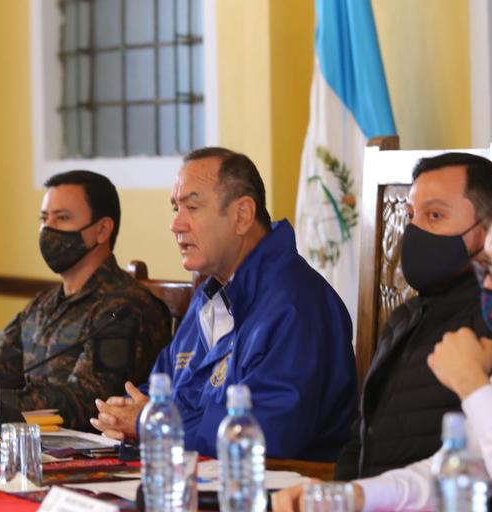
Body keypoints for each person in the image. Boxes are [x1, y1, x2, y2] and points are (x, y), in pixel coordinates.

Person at [273, 171, 492, 512]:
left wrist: (474, 386)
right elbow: (448, 474)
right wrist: (350, 496)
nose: (491, 285)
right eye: (488, 268)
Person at [91, 147, 357, 460]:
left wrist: (153, 422)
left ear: (242, 215)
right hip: (197, 476)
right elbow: (164, 386)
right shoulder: (212, 292)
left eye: (192, 207)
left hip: (281, 492)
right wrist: (126, 412)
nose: (176, 225)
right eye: (175, 208)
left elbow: (268, 431)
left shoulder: (297, 305)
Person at [0, 170, 172, 433]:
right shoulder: (43, 304)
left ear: (102, 229)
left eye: (62, 218)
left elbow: (87, 403)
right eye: (44, 218)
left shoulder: (125, 309)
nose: (48, 229)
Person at [335, 153, 492, 480]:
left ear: (489, 230)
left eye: (434, 215)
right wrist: (341, 499)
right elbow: (360, 438)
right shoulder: (402, 319)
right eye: (411, 215)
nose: (414, 232)